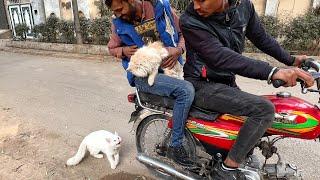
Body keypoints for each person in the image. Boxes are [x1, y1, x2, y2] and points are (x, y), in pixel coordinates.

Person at [179, 0, 314, 179]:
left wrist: (291, 60)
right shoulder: (190, 20)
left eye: (202, 0)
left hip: (226, 81)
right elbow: (220, 57)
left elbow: (261, 38)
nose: (196, 5)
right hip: (201, 84)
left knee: (263, 117)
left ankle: (227, 156)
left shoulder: (244, 7)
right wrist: (273, 72)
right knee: (263, 109)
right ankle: (226, 170)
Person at [106, 0, 195, 166]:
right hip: (144, 76)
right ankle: (175, 146)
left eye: (120, 9)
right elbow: (111, 48)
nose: (119, 15)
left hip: (172, 67)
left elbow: (183, 33)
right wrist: (123, 51)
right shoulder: (118, 23)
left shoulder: (162, 8)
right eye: (115, 12)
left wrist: (178, 50)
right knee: (186, 91)